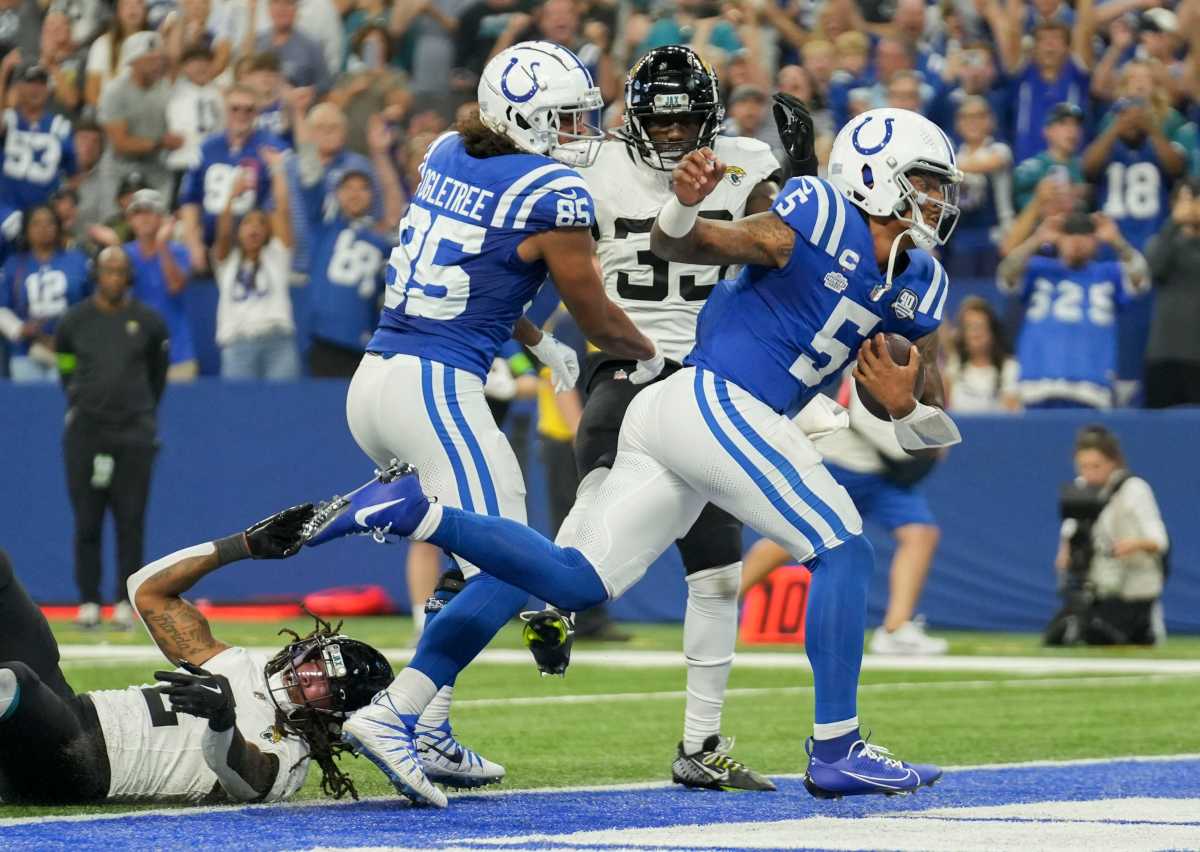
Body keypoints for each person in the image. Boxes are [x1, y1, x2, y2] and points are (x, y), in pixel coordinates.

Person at [310, 106, 964, 803]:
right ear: (874, 176)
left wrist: (906, 401)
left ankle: (419, 532)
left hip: (684, 416)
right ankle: (837, 749)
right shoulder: (813, 213)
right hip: (716, 398)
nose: (936, 200)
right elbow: (698, 244)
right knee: (843, 546)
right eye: (923, 182)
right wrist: (682, 211)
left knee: (574, 582)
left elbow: (923, 398)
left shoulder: (919, 278)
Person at [300, 41, 659, 807]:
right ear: (521, 118)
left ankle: (430, 726)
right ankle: (399, 713)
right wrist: (652, 355)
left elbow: (474, 261)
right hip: (434, 383)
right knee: (518, 559)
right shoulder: (554, 191)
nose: (575, 133)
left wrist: (533, 338)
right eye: (563, 119)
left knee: (477, 551)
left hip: (378, 378)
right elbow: (594, 307)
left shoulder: (446, 150)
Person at [534, 45, 782, 790]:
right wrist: (540, 340)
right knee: (597, 493)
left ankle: (699, 746)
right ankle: (551, 598)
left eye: (684, 124)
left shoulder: (745, 164)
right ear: (631, 117)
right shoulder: (591, 163)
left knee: (718, 576)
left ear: (707, 119)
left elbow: (781, 237)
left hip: (710, 383)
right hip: (631, 360)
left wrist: (792, 188)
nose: (673, 138)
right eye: (659, 123)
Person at [0, 506, 395, 803]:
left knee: (11, 681)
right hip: (71, 712)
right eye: (313, 663)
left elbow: (242, 775)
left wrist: (223, 721)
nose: (305, 675)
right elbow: (145, 590)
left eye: (323, 685)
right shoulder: (242, 667)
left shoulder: (289, 760)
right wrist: (242, 546)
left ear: (337, 720)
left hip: (80, 766)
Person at [741, 378, 949, 656]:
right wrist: (926, 444)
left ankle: (895, 630)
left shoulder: (917, 356)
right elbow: (866, 418)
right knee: (790, 540)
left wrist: (929, 432)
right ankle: (719, 602)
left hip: (882, 475)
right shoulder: (875, 352)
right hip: (842, 465)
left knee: (920, 533)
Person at [54, 246, 168, 630]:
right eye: (108, 270)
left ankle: (124, 601)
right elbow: (65, 365)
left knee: (130, 521)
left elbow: (158, 374)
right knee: (87, 520)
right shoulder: (74, 321)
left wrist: (141, 410)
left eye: (121, 271)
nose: (114, 278)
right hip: (87, 432)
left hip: (134, 433)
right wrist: (80, 396)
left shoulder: (149, 322)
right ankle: (88, 601)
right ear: (96, 275)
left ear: (129, 277)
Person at [999, 211, 1149, 409]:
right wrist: (1036, 240)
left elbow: (1141, 279)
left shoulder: (1110, 272)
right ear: (1059, 238)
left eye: (1085, 233)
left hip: (1091, 386)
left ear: (1096, 240)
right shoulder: (1038, 268)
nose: (1077, 240)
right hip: (1036, 383)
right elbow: (1006, 275)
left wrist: (1117, 241)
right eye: (1069, 233)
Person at [1046, 425, 1168, 646]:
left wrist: (1134, 544)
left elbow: (1159, 540)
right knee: (1059, 636)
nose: (1088, 473)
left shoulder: (1134, 489)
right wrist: (1065, 554)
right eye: (1083, 466)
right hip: (1097, 592)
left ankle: (1148, 627)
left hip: (1132, 592)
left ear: (1113, 463)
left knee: (1100, 635)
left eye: (1096, 466)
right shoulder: (1080, 490)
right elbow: (1070, 532)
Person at [212, 148, 299, 380]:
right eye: (248, 223)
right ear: (238, 232)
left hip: (278, 342)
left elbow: (283, 210)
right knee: (239, 412)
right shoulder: (227, 261)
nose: (254, 228)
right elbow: (222, 233)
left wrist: (278, 170)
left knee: (283, 409)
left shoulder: (277, 257)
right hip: (238, 343)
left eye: (261, 223)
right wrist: (231, 195)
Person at [179, 85, 286, 273]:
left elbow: (279, 202)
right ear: (225, 110)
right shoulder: (207, 147)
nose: (241, 114)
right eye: (235, 108)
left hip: (254, 243)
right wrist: (193, 242)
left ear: (257, 113)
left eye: (248, 109)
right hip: (209, 239)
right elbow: (190, 198)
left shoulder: (271, 147)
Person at [0, 204, 91, 382]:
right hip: (26, 352)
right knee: (30, 404)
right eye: (36, 223)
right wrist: (19, 329)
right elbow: (1, 307)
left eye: (49, 223)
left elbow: (93, 302)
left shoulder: (77, 260)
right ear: (26, 229)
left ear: (58, 227)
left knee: (64, 398)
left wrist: (74, 334)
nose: (43, 228)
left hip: (67, 350)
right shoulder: (13, 265)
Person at [97, 31, 181, 200]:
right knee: (115, 222)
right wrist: (160, 142)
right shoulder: (115, 91)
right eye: (150, 59)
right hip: (119, 169)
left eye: (159, 59)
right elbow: (121, 143)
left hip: (157, 168)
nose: (157, 64)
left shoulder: (166, 88)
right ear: (133, 61)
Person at [124, 189, 197, 382]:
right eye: (138, 212)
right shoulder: (123, 255)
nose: (144, 218)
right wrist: (114, 245)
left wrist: (162, 245)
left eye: (150, 211)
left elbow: (175, 286)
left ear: (162, 218)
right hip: (136, 356)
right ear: (130, 220)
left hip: (178, 355)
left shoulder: (179, 252)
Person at [1143, 177, 1200, 408]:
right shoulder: (1162, 241)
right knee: (1159, 435)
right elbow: (1153, 268)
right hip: (1164, 354)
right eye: (1186, 200)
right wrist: (1174, 223)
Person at [1, 62, 77, 210]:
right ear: (19, 88)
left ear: (48, 90)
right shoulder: (8, 119)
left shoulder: (61, 126)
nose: (36, 89)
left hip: (45, 216)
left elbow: (74, 173)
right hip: (4, 211)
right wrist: (4, 74)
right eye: (30, 83)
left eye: (41, 83)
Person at [943, 297, 1020, 412]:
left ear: (992, 332)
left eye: (980, 326)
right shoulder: (953, 367)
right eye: (970, 327)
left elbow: (1013, 416)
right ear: (962, 334)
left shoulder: (1009, 368)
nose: (976, 334)